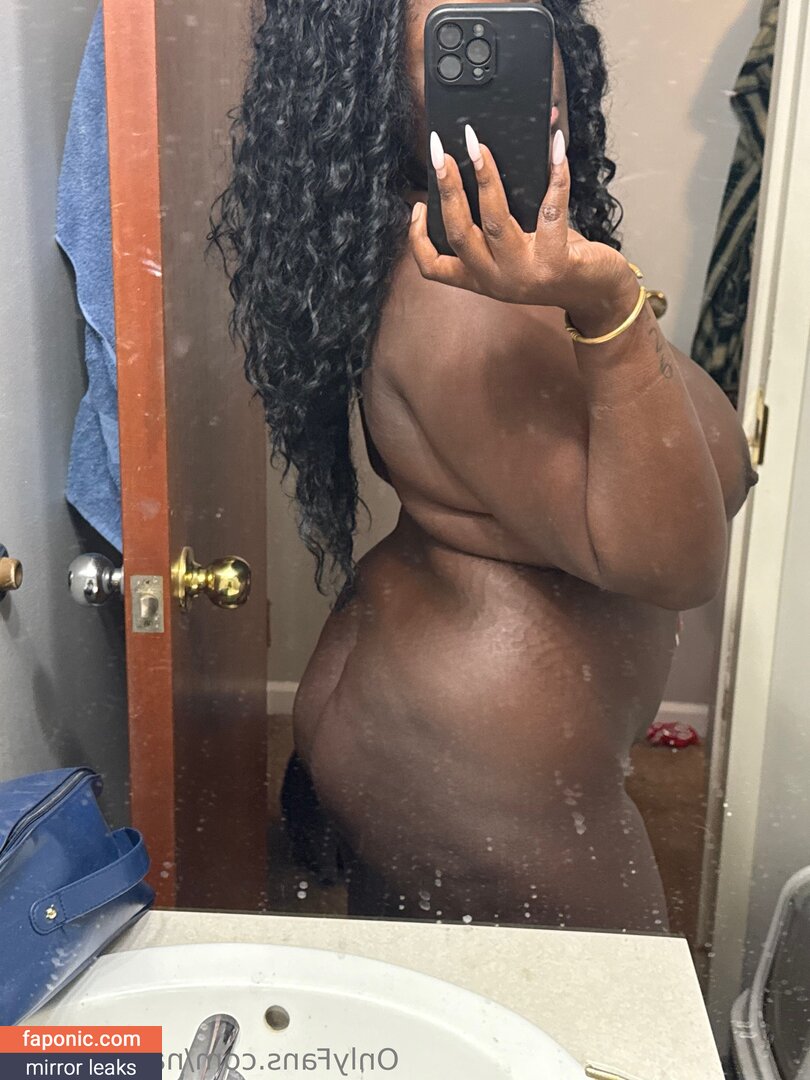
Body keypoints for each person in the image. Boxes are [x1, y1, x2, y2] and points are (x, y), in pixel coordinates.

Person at [209, 0, 758, 931]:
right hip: (486, 771)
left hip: (435, 735)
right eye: (463, 37)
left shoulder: (447, 252)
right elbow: (675, 565)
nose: (531, 67)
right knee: (605, 1018)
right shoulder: (467, 294)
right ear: (374, 81)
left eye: (526, 16)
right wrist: (613, 308)